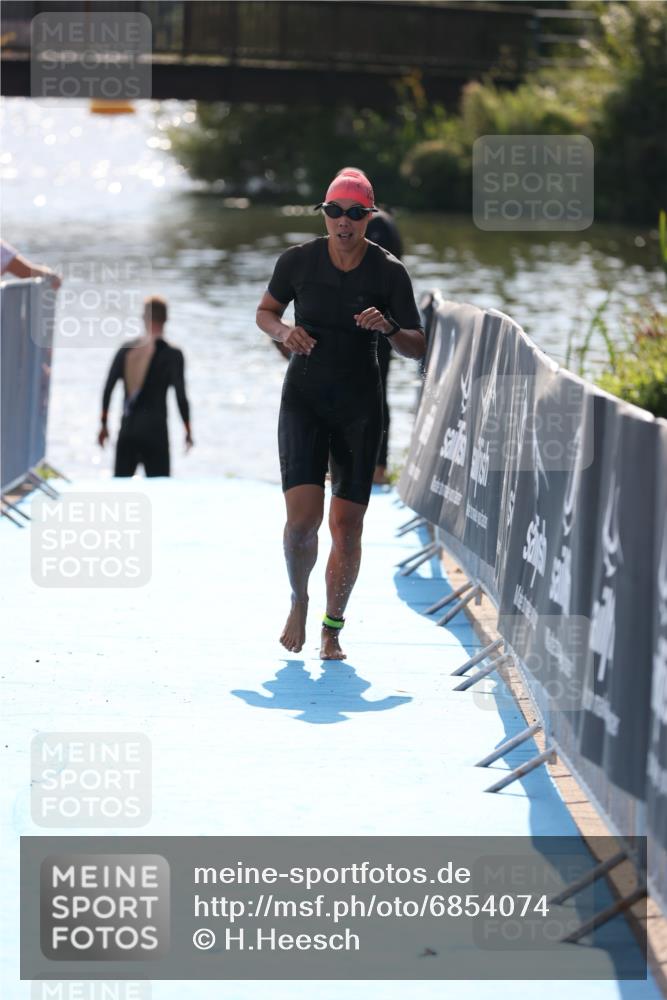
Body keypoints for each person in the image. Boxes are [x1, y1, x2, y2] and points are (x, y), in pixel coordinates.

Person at [256, 169, 425, 660]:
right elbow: (265, 312)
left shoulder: (388, 272)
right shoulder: (298, 261)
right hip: (304, 400)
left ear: (369, 217)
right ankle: (299, 599)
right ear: (324, 215)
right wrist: (283, 333)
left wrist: (390, 328)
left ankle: (332, 628)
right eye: (335, 212)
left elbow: (418, 346)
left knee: (347, 527)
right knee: (301, 524)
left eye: (355, 213)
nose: (344, 222)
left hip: (359, 406)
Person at [98, 295, 193, 476]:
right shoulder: (173, 354)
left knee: (121, 492)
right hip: (156, 433)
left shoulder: (126, 349)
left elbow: (108, 389)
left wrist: (103, 425)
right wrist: (188, 429)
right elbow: (181, 396)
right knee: (160, 493)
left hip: (128, 432)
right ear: (166, 319)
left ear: (144, 318)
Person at [364, 205, 404, 485]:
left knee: (377, 394)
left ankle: (379, 467)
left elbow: (390, 272)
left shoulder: (380, 224)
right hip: (352, 323)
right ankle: (343, 464)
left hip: (380, 325)